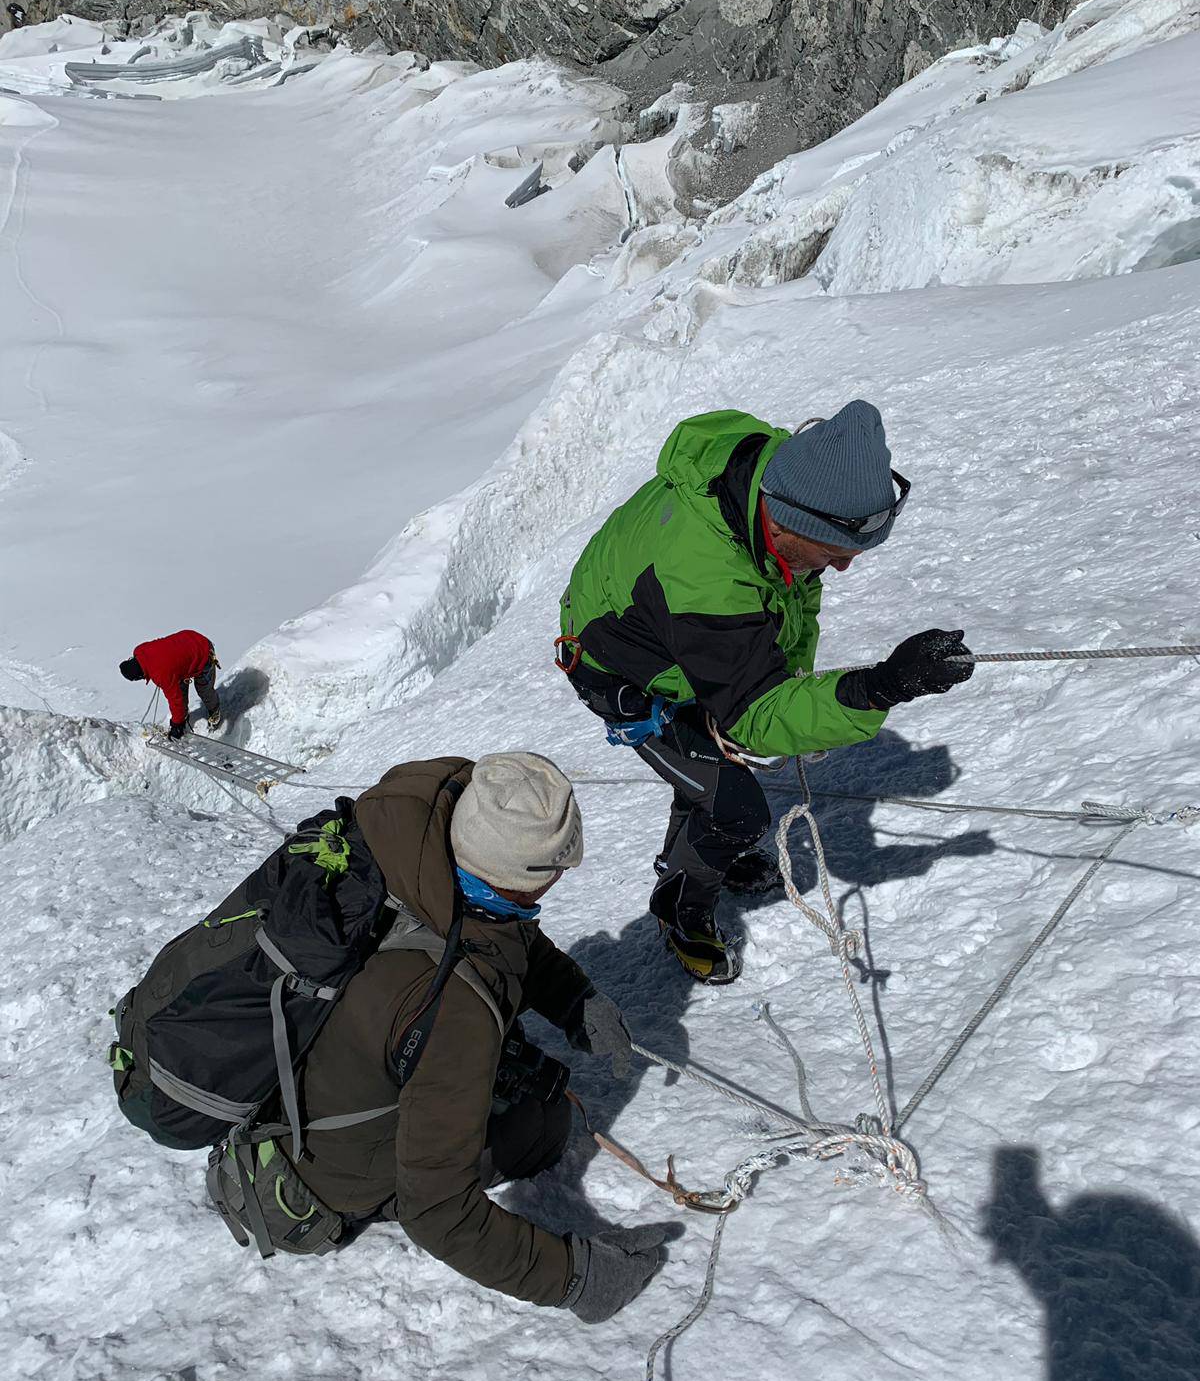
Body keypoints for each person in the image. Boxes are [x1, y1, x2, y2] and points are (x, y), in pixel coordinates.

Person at [227, 752, 670, 1321]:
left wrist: (574, 1000)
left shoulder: (412, 867)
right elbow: (436, 1209)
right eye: (554, 870)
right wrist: (577, 1279)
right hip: (322, 1179)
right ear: (525, 881)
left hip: (292, 1100)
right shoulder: (455, 1008)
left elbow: (501, 939)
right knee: (543, 1121)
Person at [556, 401, 975, 984]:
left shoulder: (776, 474)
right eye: (833, 554)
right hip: (622, 671)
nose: (844, 568)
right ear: (783, 522)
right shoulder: (706, 574)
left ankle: (706, 847)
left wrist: (799, 698)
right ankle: (681, 908)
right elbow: (752, 713)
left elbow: (781, 624)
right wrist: (880, 687)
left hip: (677, 643)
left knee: (711, 777)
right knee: (735, 811)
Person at [119, 628, 222, 737]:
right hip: (186, 639)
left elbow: (175, 700)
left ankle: (214, 711)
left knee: (204, 690)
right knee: (179, 687)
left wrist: (176, 725)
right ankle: (183, 716)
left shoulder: (161, 675)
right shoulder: (140, 650)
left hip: (203, 651)